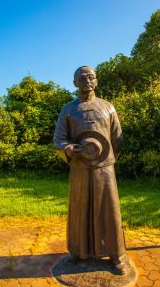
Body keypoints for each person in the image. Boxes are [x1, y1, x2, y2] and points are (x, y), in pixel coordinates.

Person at [54, 66, 126, 274]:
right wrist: (68, 148)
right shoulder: (67, 110)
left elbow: (117, 138)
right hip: (79, 168)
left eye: (91, 77)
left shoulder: (108, 107)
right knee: (79, 209)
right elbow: (59, 139)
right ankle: (76, 252)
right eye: (82, 77)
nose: (87, 80)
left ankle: (116, 255)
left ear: (96, 81)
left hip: (105, 169)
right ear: (75, 82)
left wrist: (106, 159)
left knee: (109, 210)